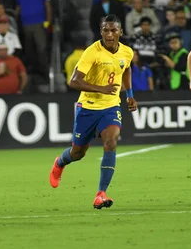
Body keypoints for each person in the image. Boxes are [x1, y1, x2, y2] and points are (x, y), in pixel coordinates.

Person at [49, 15, 137, 209]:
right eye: (106, 30)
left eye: (114, 30)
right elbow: (73, 81)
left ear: (120, 32)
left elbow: (127, 68)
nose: (110, 34)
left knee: (111, 142)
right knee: (78, 152)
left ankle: (101, 194)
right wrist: (101, 89)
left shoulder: (127, 52)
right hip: (88, 107)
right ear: (101, 32)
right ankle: (60, 163)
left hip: (111, 106)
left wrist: (129, 94)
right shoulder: (92, 52)